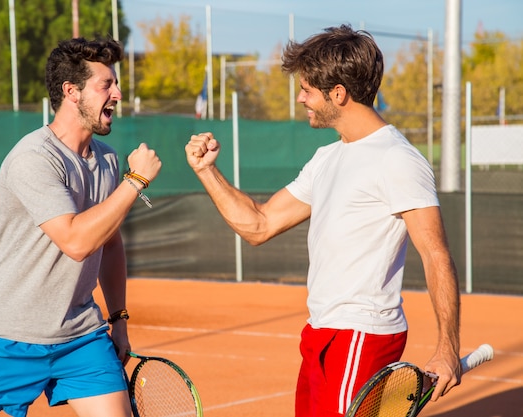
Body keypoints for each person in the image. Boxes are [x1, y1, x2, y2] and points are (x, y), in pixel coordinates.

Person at [185, 25, 461, 417]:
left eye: (307, 90)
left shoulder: (397, 159)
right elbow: (259, 225)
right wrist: (207, 172)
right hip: (320, 332)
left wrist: (447, 350)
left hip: (361, 335)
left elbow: (436, 255)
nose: (300, 99)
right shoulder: (327, 159)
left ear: (338, 94)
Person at [0, 37, 161, 417]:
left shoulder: (108, 161)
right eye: (106, 84)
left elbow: (109, 245)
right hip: (3, 337)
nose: (118, 93)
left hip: (80, 336)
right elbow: (76, 241)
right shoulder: (33, 158)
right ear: (71, 92)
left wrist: (119, 321)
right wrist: (135, 182)